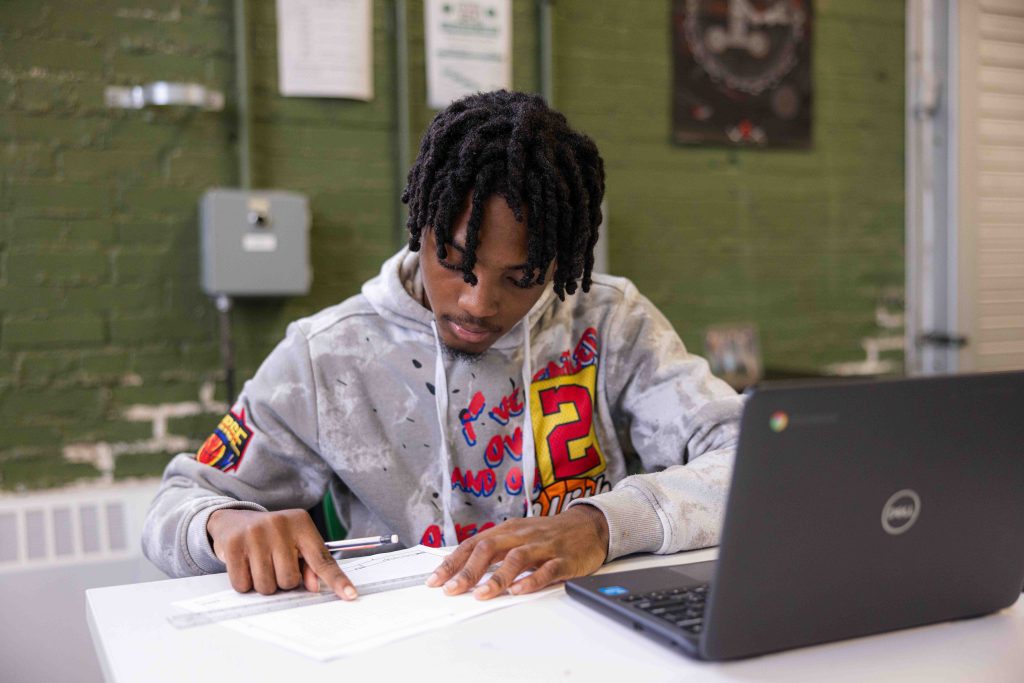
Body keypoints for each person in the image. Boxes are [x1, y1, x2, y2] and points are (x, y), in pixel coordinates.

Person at [143, 90, 742, 602]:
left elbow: (747, 460)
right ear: (420, 230)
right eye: (455, 263)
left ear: (561, 261)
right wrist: (224, 523)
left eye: (522, 278)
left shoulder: (612, 324)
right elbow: (176, 505)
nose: (479, 304)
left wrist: (601, 525)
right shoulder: (329, 355)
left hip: (589, 634)